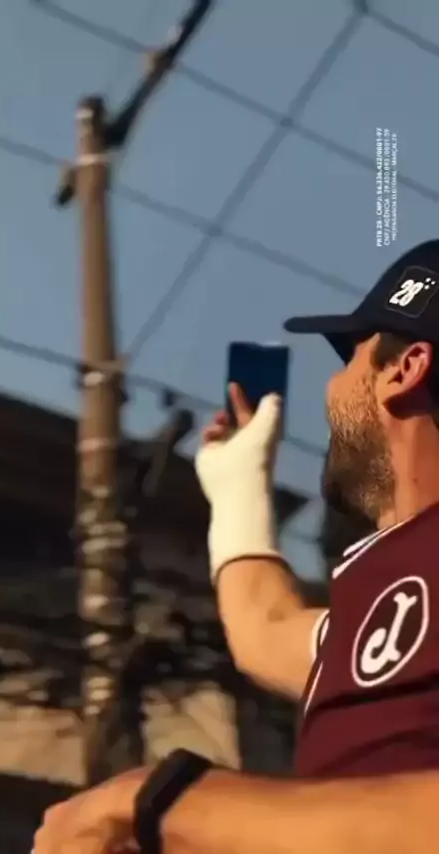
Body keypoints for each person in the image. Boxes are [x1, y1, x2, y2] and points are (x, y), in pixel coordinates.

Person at [34, 240, 439, 853]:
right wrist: (238, 487)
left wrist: (157, 802)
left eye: (351, 355)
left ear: (404, 370)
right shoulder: (381, 605)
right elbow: (265, 626)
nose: (333, 386)